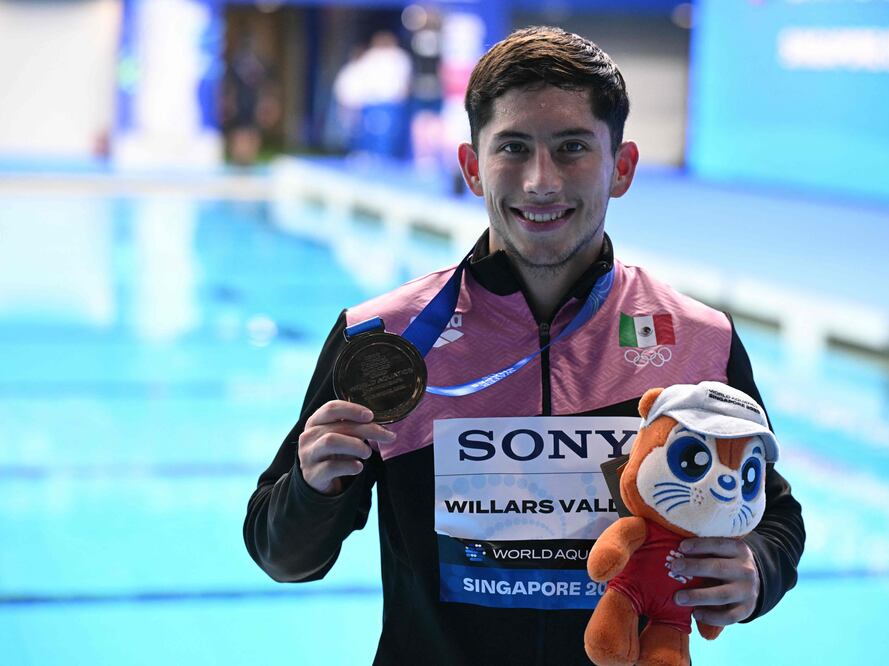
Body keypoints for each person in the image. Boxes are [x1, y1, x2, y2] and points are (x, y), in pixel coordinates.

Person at [244, 26, 804, 665]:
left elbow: (774, 516)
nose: (541, 181)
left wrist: (757, 569)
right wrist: (313, 490)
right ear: (472, 166)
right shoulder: (385, 341)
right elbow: (283, 556)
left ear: (621, 168)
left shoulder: (699, 343)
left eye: (572, 148)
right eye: (513, 147)